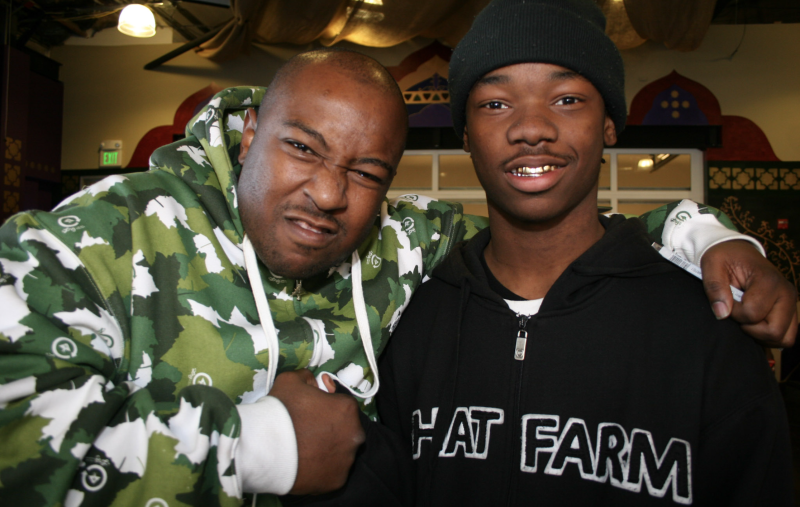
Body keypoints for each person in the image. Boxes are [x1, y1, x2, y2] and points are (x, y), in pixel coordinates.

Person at [0, 46, 794, 507]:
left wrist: (702, 232)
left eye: (366, 169)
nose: (327, 193)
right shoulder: (85, 241)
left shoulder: (401, 244)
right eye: (302, 148)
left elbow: (554, 229)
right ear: (248, 135)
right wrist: (255, 449)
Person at [372, 0, 794, 506]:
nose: (531, 128)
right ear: (465, 134)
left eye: (567, 99)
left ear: (610, 124)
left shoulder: (707, 325)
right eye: (496, 103)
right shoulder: (407, 318)